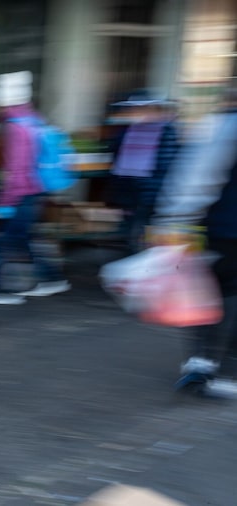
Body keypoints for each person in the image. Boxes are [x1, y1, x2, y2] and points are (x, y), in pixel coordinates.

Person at [152, 84, 237, 398]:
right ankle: (226, 371)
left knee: (211, 292)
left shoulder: (227, 124)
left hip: (227, 227)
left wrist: (173, 218)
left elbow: (200, 175)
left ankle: (202, 362)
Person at [0, 71, 70, 305]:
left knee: (4, 241)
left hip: (21, 194)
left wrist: (3, 204)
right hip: (34, 191)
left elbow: (16, 172)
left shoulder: (15, 127)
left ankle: (3, 292)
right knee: (22, 239)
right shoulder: (32, 119)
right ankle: (52, 279)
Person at [108, 92, 180, 253]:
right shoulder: (127, 130)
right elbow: (116, 155)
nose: (136, 112)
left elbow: (166, 164)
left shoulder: (167, 131)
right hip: (129, 190)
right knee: (131, 229)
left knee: (142, 230)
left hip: (150, 191)